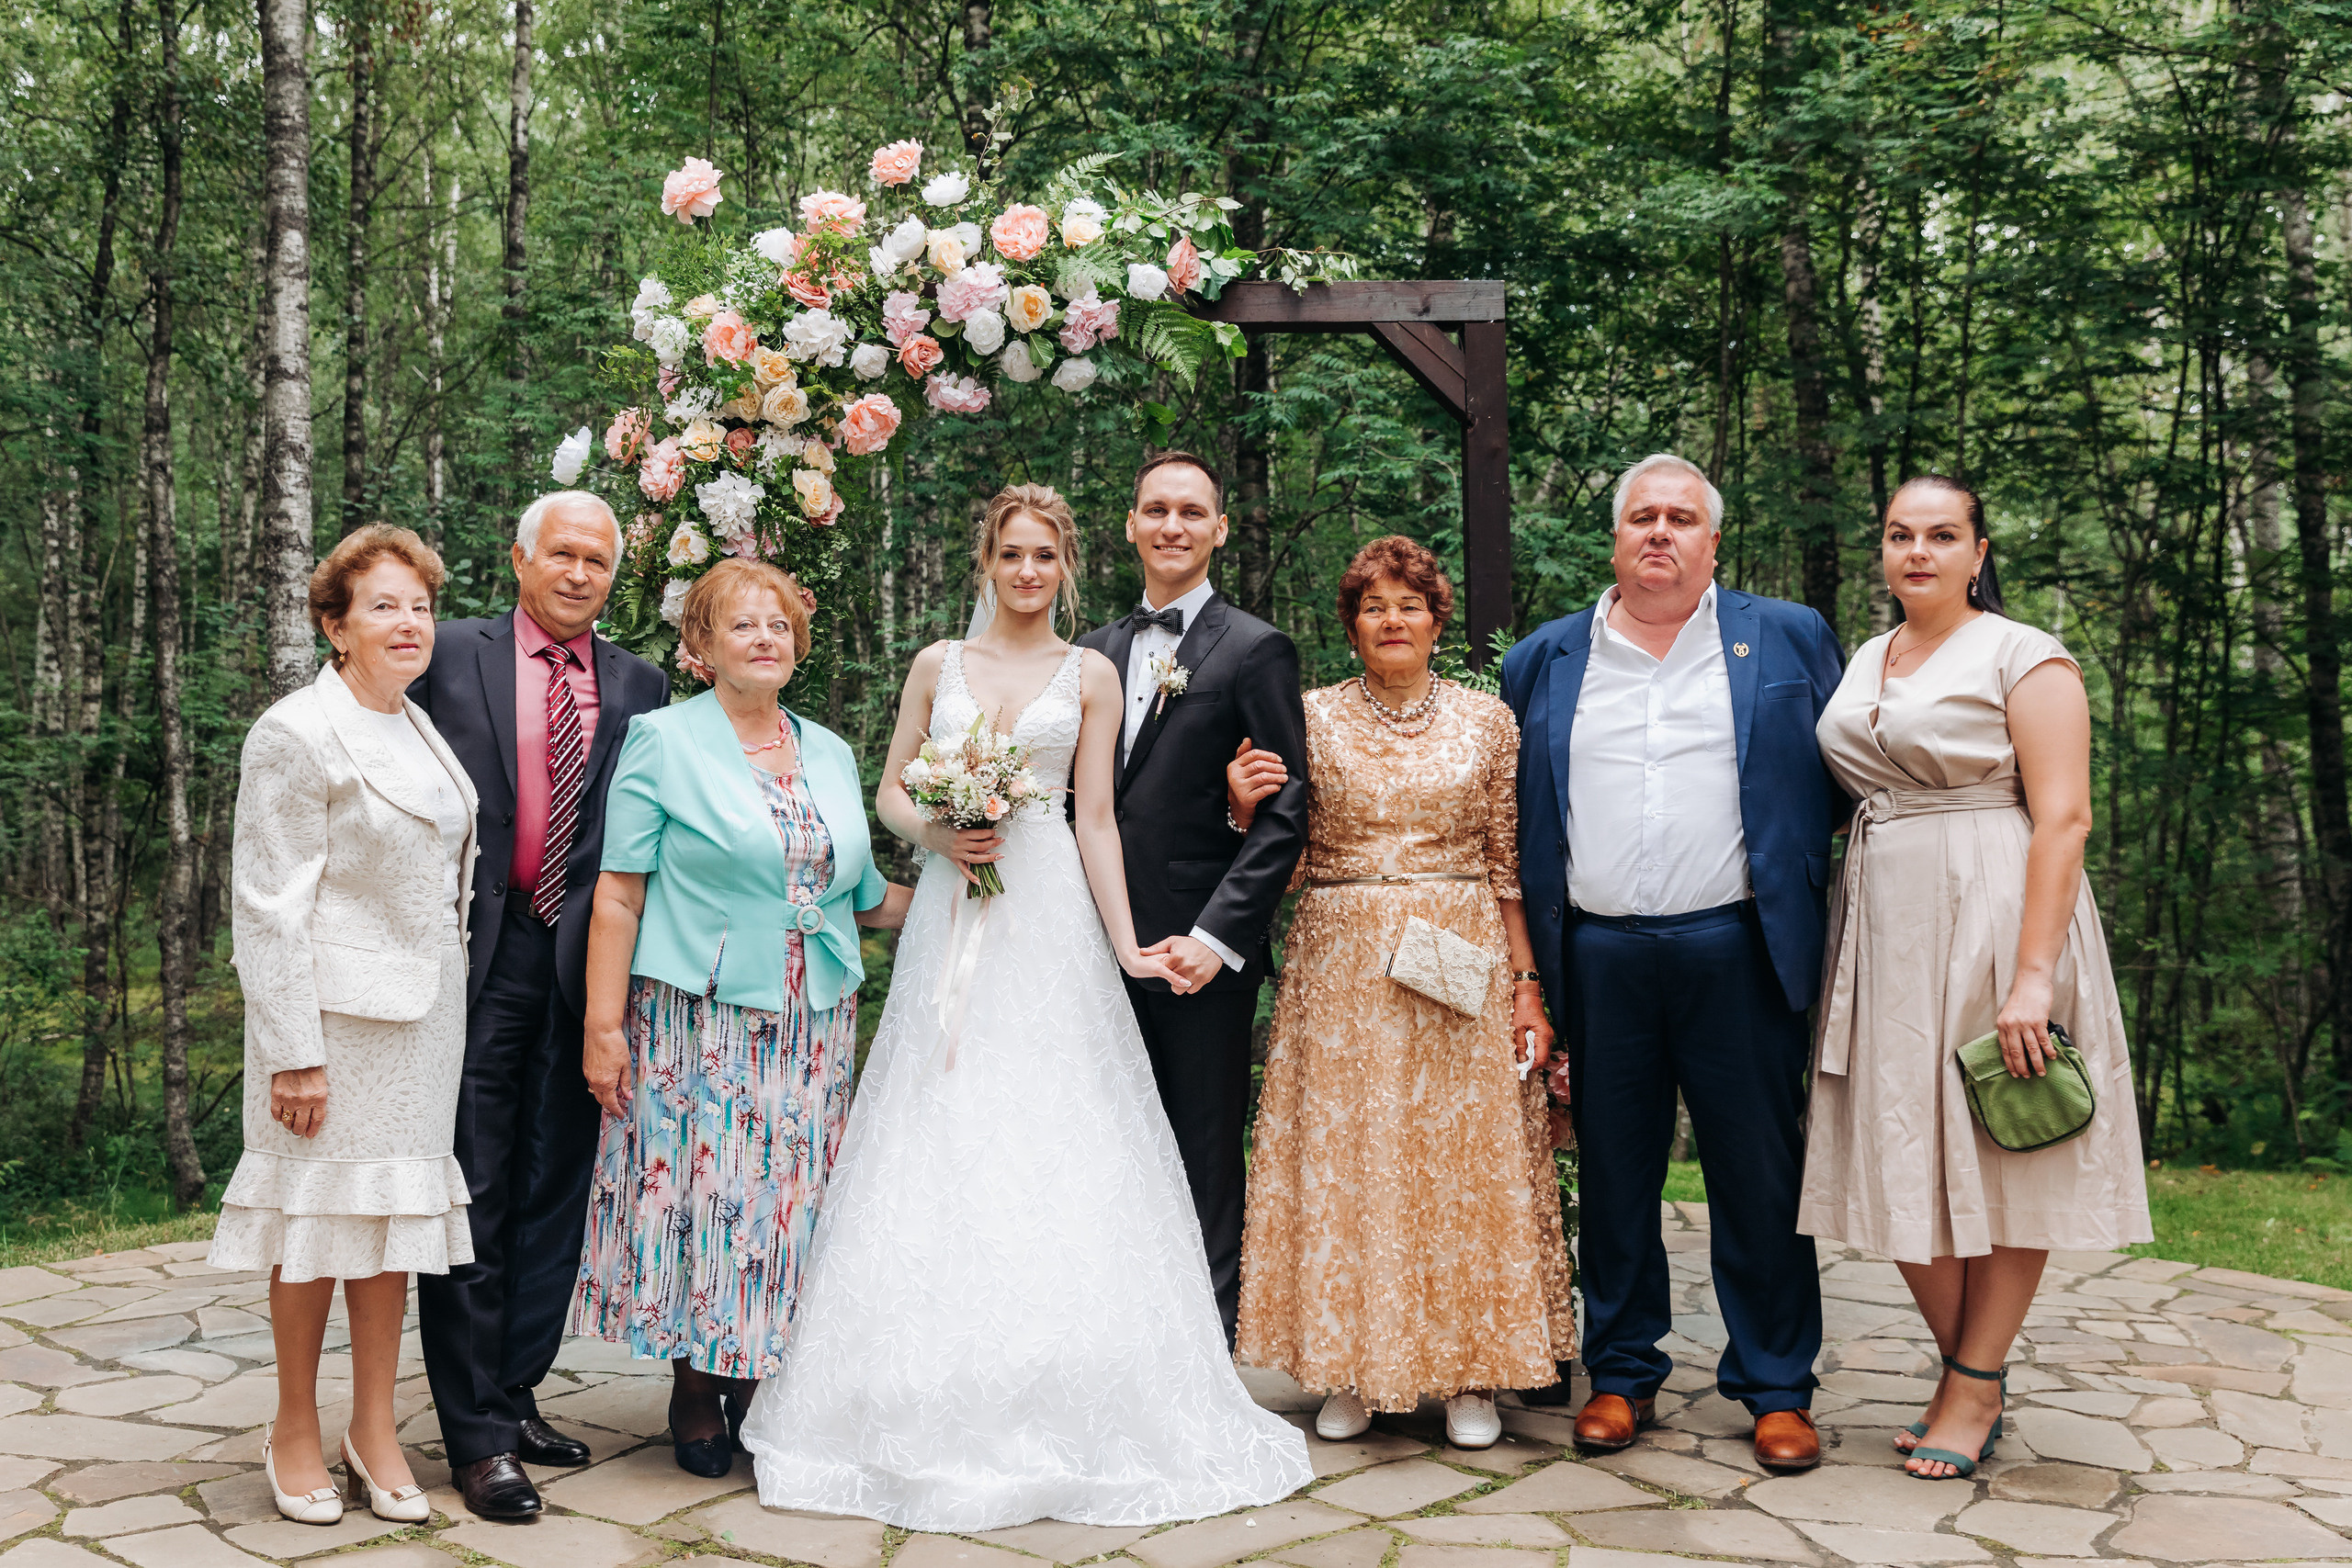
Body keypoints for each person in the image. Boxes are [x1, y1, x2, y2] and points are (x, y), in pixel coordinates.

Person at [740, 484, 1312, 1529]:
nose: (1027, 571)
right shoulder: (935, 666)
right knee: (940, 1114)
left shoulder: (1088, 672)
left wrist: (1128, 936)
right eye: (1011, 553)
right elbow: (891, 789)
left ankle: (1072, 1365)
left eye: (1045, 554)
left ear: (1066, 564)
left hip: (1047, 912)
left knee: (1061, 1122)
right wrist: (941, 833)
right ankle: (910, 1379)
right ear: (987, 560)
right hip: (957, 905)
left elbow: (1095, 818)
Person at [1498, 454, 1846, 1472]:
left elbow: (1832, 785)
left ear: (1712, 540)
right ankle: (1619, 1375)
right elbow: (1522, 812)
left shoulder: (1784, 637)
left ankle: (1776, 1385)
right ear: (1614, 538)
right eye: (1642, 517)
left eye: (1681, 518)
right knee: (1612, 1171)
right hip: (1597, 949)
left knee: (1757, 1170)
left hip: (1734, 944)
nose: (1661, 533)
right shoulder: (1545, 659)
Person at [1801, 475, 2152, 1480]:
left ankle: (1969, 1381)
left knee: (2007, 1149)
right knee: (1895, 1145)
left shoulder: (2023, 654)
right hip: (1882, 924)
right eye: (1900, 535)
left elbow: (2065, 819)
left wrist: (2031, 977)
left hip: (1994, 913)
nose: (1918, 552)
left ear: (1978, 551)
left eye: (1941, 536)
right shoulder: (1867, 656)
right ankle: (1973, 1373)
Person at [570, 558, 910, 1477]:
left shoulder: (831, 751)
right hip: (697, 1019)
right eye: (742, 625)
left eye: (781, 626)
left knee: (789, 1203)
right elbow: (619, 896)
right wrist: (604, 1027)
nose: (766, 638)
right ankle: (692, 1382)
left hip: (813, 1022)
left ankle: (763, 1380)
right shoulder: (662, 740)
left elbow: (868, 895)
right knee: (703, 1195)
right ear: (700, 647)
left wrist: (997, 883)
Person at [1233, 536, 1574, 1452]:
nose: (1392, 620)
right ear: (1352, 626)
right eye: (1374, 606)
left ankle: (1470, 1375)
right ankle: (1350, 1367)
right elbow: (1282, 854)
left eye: (1409, 605)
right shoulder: (1304, 718)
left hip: (1457, 956)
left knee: (1458, 1165)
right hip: (1340, 960)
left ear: (1435, 620)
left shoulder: (1487, 721)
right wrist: (1238, 807)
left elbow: (1506, 864)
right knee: (1349, 1160)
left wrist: (1527, 990)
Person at [408, 491, 670, 1519]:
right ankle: (473, 1438)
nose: (577, 573)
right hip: (474, 951)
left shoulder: (641, 685)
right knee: (472, 1189)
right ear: (519, 559)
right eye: (560, 554)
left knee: (556, 1187)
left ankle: (514, 1398)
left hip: (585, 959)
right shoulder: (447, 655)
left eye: (597, 562)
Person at [211, 525, 477, 1526]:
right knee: (312, 1230)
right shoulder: (295, 732)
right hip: (326, 1027)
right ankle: (292, 1428)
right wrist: (294, 1057)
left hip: (422, 1025)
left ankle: (374, 1430)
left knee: (390, 1225)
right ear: (335, 624)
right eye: (383, 607)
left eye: (419, 606)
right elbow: (268, 906)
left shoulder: (416, 724)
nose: (408, 624)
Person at [1072, 451, 1311, 1346]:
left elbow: (1289, 809)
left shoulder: (1255, 649)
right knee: (1104, 1137)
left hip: (1195, 948)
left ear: (1218, 528)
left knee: (1203, 1145)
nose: (1172, 525)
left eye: (1191, 511)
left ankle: (1208, 1340)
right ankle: (1114, 1322)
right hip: (1093, 938)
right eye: (1155, 509)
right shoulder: (1090, 651)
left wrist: (1217, 939)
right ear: (1130, 525)